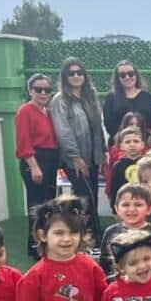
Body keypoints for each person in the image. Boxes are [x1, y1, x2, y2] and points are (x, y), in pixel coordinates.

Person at [49, 57, 106, 243]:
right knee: (85, 198)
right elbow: (63, 131)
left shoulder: (89, 96)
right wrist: (75, 157)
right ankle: (91, 237)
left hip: (93, 156)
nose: (76, 76)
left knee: (93, 198)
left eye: (79, 72)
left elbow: (98, 127)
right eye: (71, 73)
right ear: (65, 77)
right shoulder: (60, 100)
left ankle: (91, 235)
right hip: (74, 159)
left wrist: (102, 152)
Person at [16, 73, 60, 259]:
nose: (43, 93)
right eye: (38, 89)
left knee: (48, 205)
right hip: (35, 161)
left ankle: (45, 244)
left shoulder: (49, 111)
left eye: (47, 89)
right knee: (36, 206)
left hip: (50, 161)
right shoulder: (25, 111)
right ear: (30, 90)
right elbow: (23, 143)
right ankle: (35, 247)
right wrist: (34, 166)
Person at [99, 183, 151, 283]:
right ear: (117, 209)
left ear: (149, 209)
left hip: (148, 285)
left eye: (138, 205)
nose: (131, 209)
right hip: (117, 287)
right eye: (126, 205)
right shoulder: (111, 232)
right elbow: (104, 263)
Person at [102, 60, 151, 143]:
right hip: (119, 144)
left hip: (144, 143)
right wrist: (124, 142)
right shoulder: (111, 98)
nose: (127, 77)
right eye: (122, 75)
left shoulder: (147, 96)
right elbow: (109, 124)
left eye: (130, 73)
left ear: (136, 75)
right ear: (118, 78)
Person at [108, 128, 146, 207]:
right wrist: (114, 208)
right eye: (128, 142)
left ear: (142, 144)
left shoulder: (147, 164)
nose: (132, 144)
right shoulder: (118, 166)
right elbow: (114, 189)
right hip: (125, 204)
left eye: (136, 141)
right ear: (121, 146)